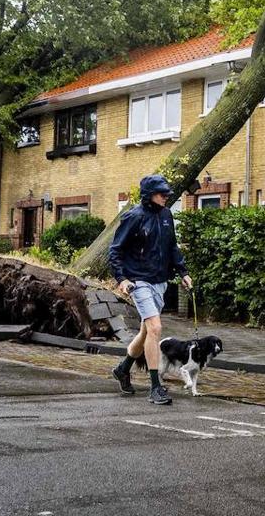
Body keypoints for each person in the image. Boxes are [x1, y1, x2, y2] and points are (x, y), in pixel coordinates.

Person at [109, 174, 192, 405]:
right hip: (138, 280)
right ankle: (155, 387)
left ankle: (123, 369)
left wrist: (183, 272)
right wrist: (122, 279)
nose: (166, 197)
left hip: (159, 280)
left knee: (147, 332)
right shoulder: (134, 217)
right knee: (156, 328)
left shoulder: (166, 215)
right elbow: (115, 251)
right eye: (161, 193)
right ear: (148, 195)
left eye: (167, 193)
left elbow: (172, 246)